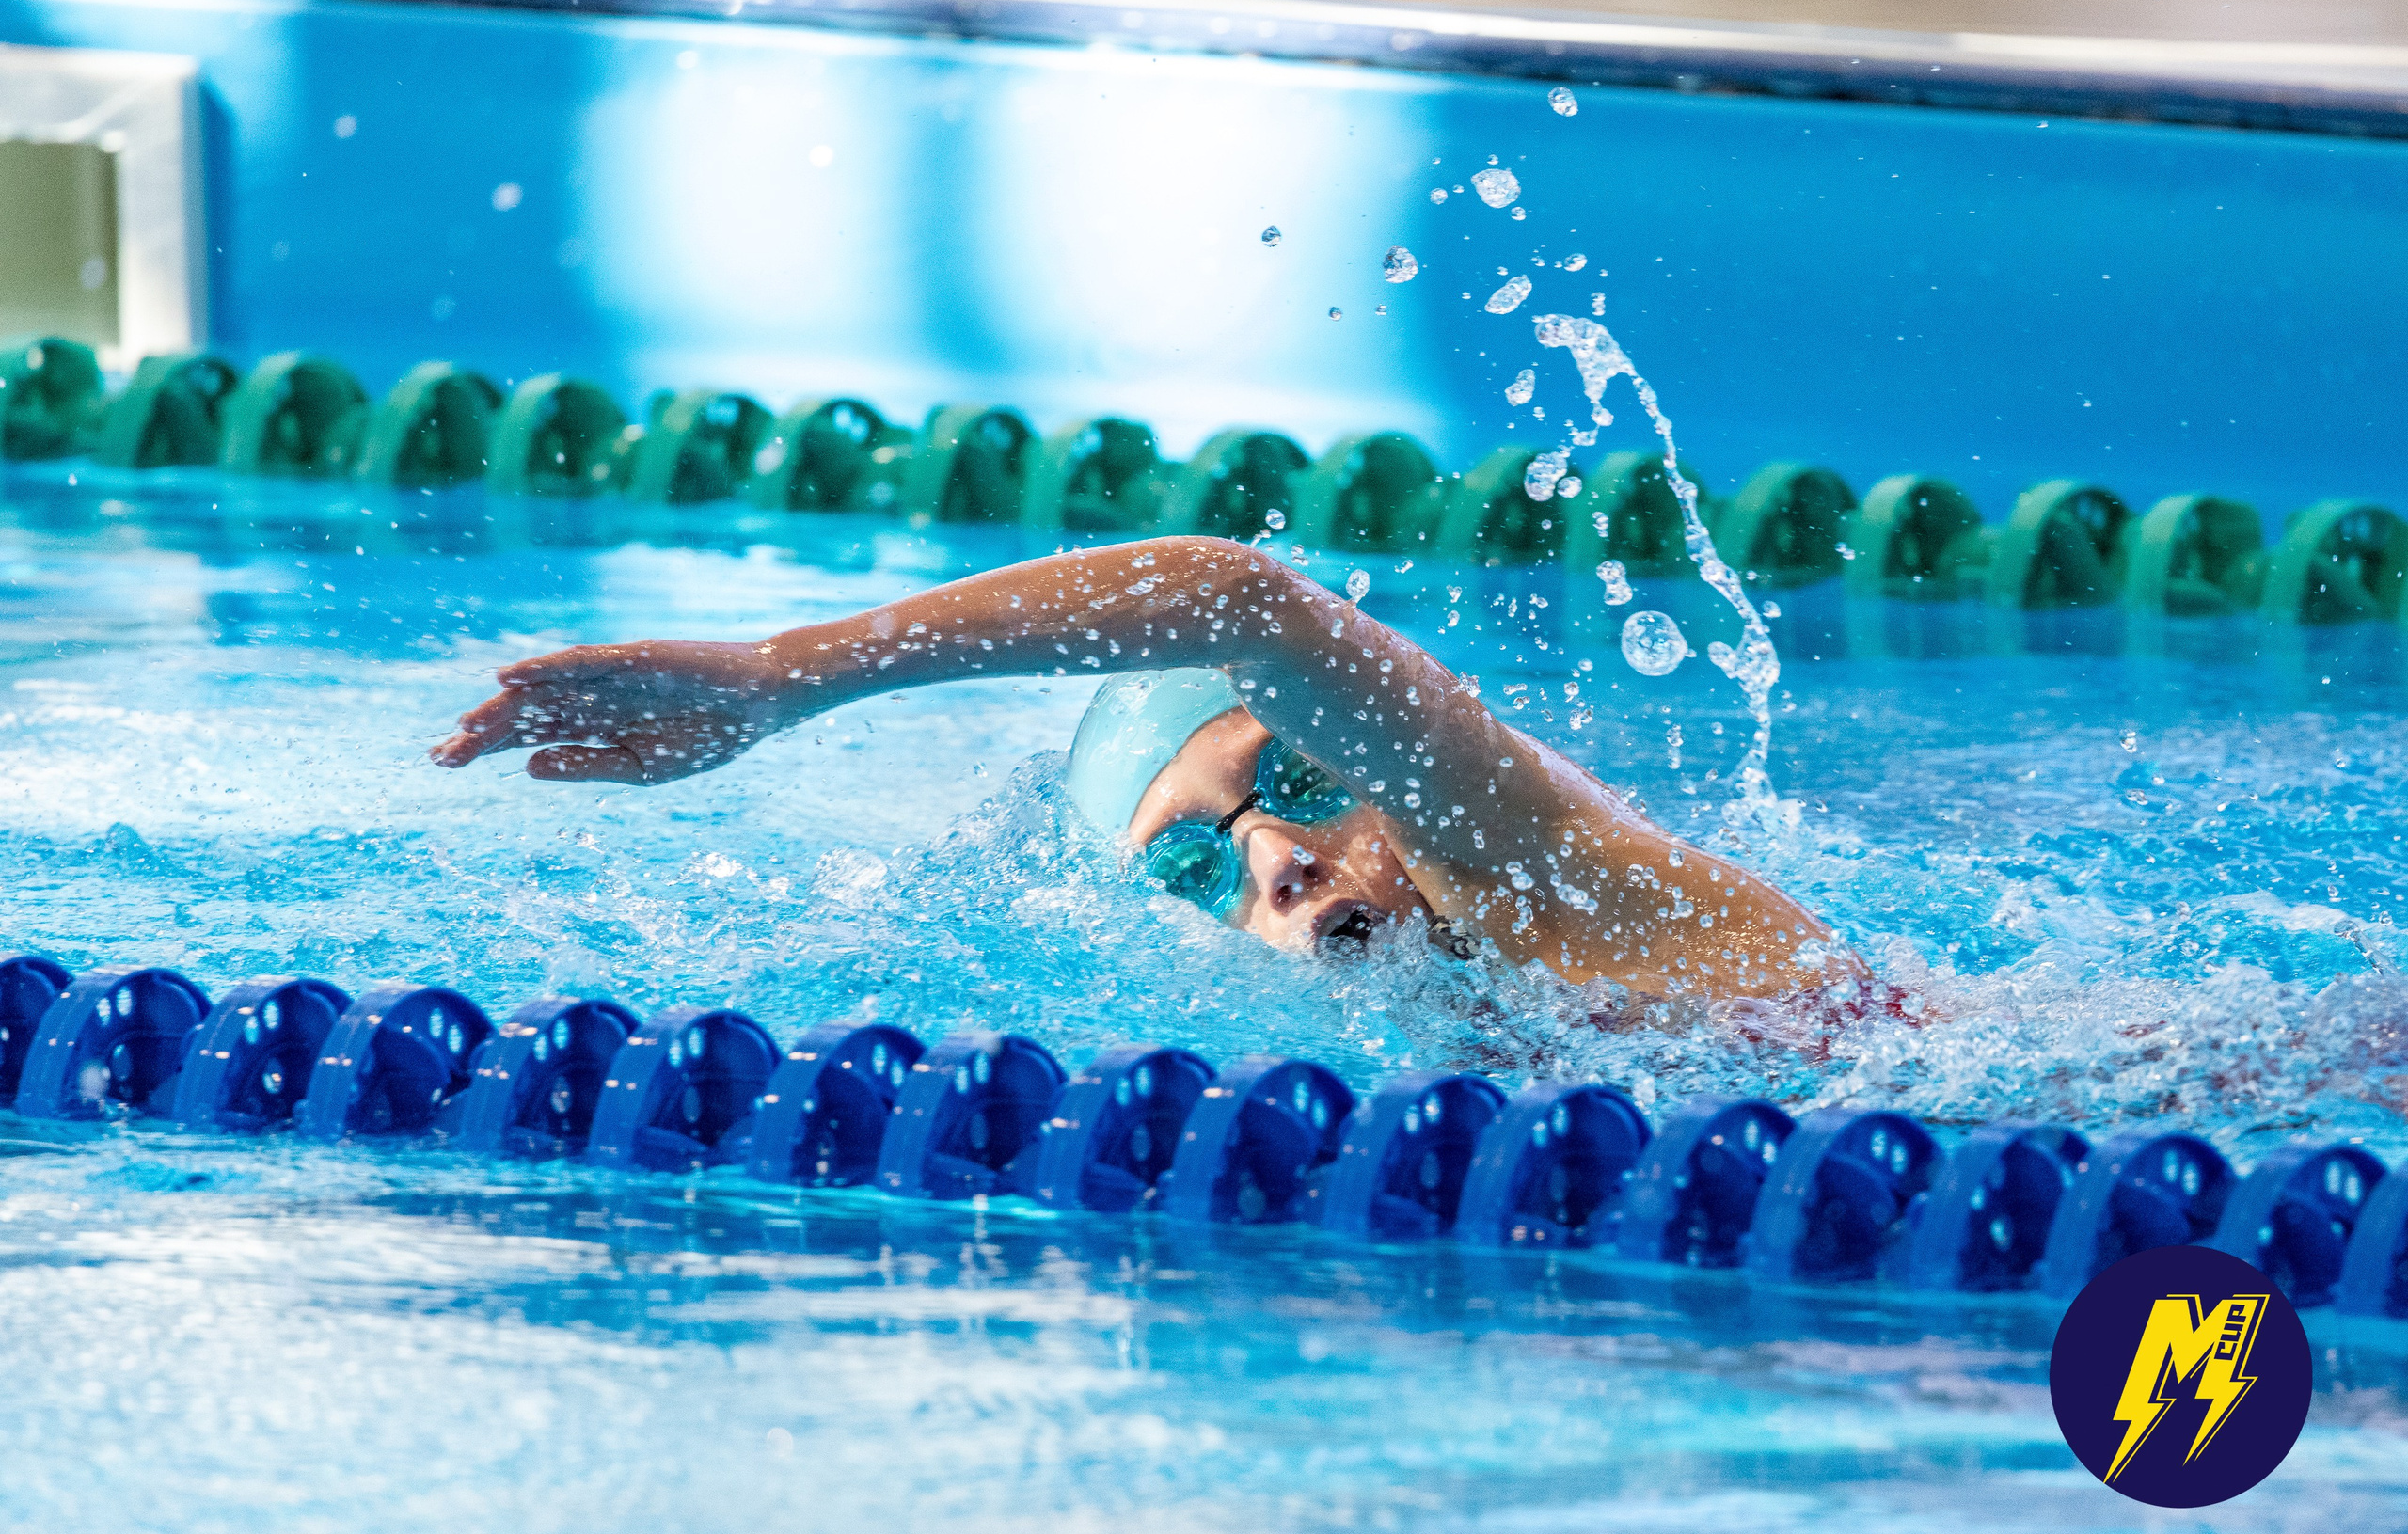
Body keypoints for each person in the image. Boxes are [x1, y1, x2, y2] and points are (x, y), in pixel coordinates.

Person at [433, 534, 1861, 1004]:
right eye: (1192, 862)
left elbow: (1242, 601)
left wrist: (784, 677)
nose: (1273, 857)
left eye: (1294, 776)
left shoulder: (1519, 862)